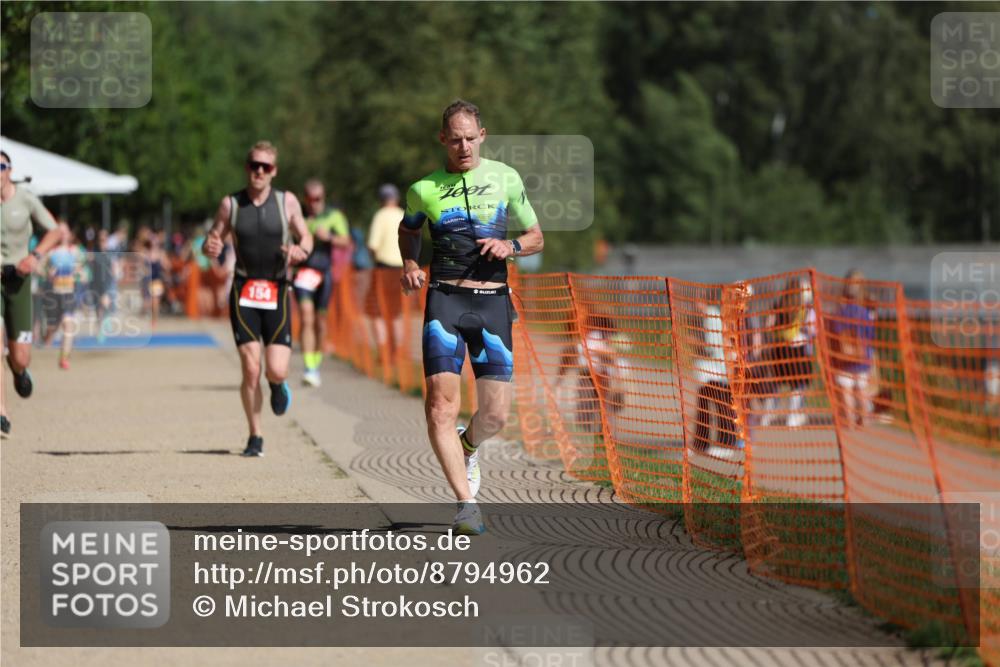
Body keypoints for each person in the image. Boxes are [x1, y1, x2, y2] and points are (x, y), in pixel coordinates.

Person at [399, 100, 544, 534]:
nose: (463, 146)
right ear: (442, 139)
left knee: (496, 415)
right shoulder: (423, 188)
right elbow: (408, 230)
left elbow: (535, 236)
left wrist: (511, 247)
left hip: (493, 303)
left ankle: (468, 445)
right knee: (440, 406)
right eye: (454, 139)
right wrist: (409, 264)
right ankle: (466, 504)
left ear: (482, 135)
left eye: (470, 137)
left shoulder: (505, 178)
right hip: (444, 300)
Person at [203, 141, 312, 457]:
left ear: (274, 171)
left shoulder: (287, 201)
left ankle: (277, 385)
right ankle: (255, 436)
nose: (259, 171)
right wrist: (210, 248)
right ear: (247, 167)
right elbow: (213, 238)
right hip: (244, 291)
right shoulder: (231, 204)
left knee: (275, 369)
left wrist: (300, 250)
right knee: (250, 368)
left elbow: (305, 235)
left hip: (277, 290)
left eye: (266, 166)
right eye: (254, 165)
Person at [0, 150, 61, 438]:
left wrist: (35, 256)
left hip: (19, 280)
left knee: (20, 355)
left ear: (9, 170)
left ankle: (19, 370)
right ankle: (2, 412)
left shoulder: (24, 199)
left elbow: (55, 230)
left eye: (0, 166)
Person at [293, 179, 349, 387]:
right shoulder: (299, 216)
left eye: (318, 199)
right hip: (303, 274)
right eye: (310, 199)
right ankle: (308, 367)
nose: (314, 203)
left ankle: (316, 363)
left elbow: (346, 240)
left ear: (323, 198)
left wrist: (329, 237)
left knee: (320, 321)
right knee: (306, 317)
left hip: (324, 274)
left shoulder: (333, 216)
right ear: (305, 198)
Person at [761, 277, 816, 428]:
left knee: (777, 384)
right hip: (798, 348)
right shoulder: (805, 309)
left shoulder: (778, 305)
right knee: (798, 385)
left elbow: (768, 325)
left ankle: (767, 417)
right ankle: (792, 417)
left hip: (779, 348)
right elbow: (812, 329)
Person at [828, 269, 876, 428]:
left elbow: (833, 334)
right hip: (862, 358)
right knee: (861, 390)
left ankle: (848, 420)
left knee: (846, 391)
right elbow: (871, 335)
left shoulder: (839, 313)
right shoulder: (865, 313)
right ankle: (864, 420)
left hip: (842, 359)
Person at [365, 183, 405, 369]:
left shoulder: (380, 216)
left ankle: (383, 354)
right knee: (396, 314)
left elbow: (373, 245)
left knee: (377, 312)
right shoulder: (403, 215)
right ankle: (396, 355)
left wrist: (373, 259)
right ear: (396, 198)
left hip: (383, 269)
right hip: (401, 269)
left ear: (382, 200)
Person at [42, 222, 84, 369]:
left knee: (68, 323)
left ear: (70, 234)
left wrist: (79, 272)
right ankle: (45, 340)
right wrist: (48, 273)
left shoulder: (75, 251)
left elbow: (82, 270)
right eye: (60, 231)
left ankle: (64, 358)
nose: (63, 234)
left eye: (65, 231)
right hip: (53, 294)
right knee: (52, 327)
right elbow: (40, 269)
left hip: (69, 293)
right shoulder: (51, 252)